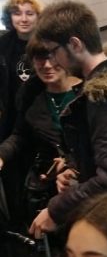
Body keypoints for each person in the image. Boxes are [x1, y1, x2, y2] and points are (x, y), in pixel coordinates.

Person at [27, 1, 107, 238]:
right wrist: (78, 169)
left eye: (54, 51)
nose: (54, 61)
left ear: (75, 44)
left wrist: (56, 210)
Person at [0, 38, 81, 223]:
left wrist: (72, 163)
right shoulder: (31, 93)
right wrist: (2, 154)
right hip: (47, 185)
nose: (47, 65)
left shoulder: (88, 91)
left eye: (53, 57)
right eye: (40, 58)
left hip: (85, 185)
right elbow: (21, 135)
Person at [0, 0, 42, 141]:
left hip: (40, 109)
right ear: (10, 17)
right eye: (17, 14)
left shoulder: (47, 43)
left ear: (38, 17)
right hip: (11, 111)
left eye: (29, 14)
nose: (24, 19)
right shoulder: (3, 44)